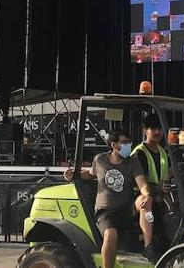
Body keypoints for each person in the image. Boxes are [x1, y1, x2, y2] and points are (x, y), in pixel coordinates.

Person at [64, 129, 146, 268]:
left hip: (127, 208)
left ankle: (149, 248)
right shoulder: (100, 159)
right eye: (124, 143)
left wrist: (147, 194)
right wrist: (74, 175)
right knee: (110, 234)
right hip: (106, 211)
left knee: (146, 205)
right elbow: (91, 174)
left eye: (129, 143)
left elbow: (142, 182)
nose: (128, 146)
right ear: (113, 145)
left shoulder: (132, 162)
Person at [133, 114, 172, 259]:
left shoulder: (162, 151)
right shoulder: (139, 153)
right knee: (146, 201)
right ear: (145, 130)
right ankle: (148, 246)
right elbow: (139, 182)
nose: (158, 132)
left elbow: (168, 174)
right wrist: (158, 189)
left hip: (158, 193)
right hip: (136, 196)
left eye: (160, 128)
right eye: (153, 128)